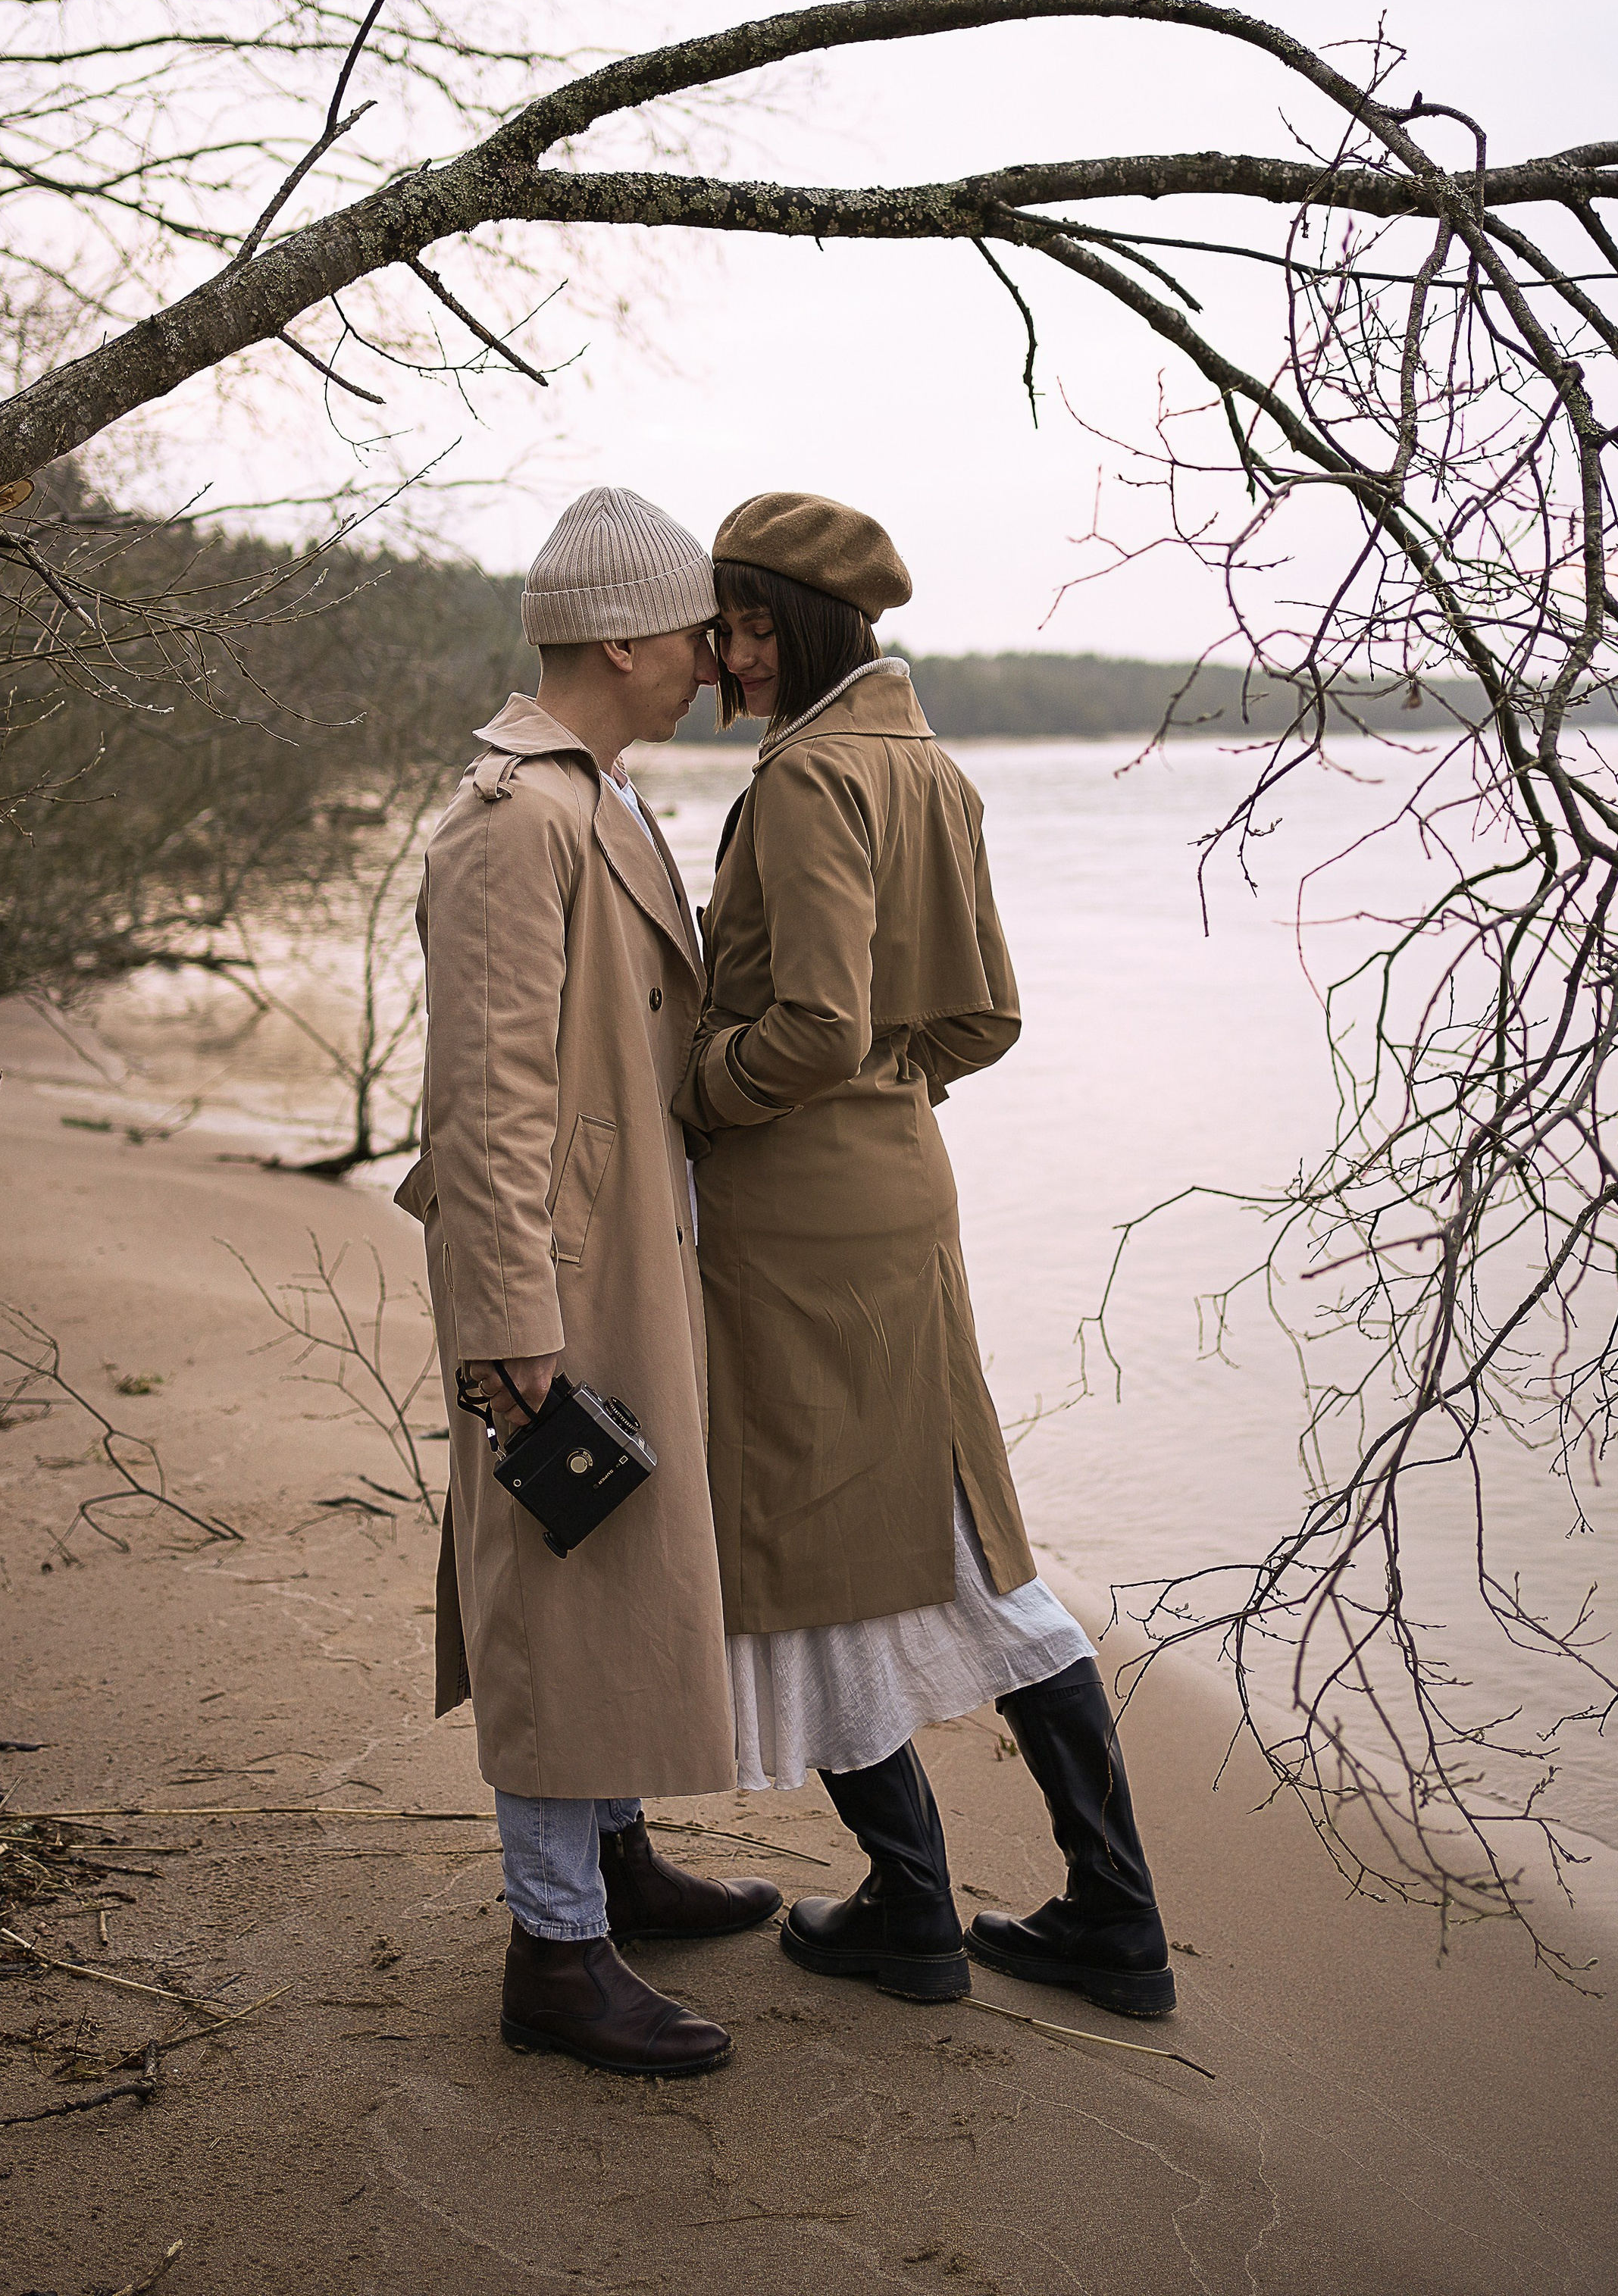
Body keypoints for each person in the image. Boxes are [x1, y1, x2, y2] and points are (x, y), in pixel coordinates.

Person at [676, 490, 1175, 2019]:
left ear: (811, 626)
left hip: (798, 1218)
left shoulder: (815, 777)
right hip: (902, 1189)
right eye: (726, 623)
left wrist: (695, 1093)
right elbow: (979, 1020)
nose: (729, 656)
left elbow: (815, 1022)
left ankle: (913, 1914)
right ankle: (1109, 1920)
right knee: (958, 1545)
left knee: (814, 1553)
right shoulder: (927, 767)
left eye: (753, 625)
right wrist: (888, 1094)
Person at [399, 486, 780, 2079]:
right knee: (562, 1594)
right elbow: (479, 1102)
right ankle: (554, 1953)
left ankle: (609, 1867)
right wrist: (510, 1334)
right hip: (555, 1282)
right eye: (695, 628)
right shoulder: (520, 818)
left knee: (612, 1579)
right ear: (621, 635)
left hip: (621, 1259)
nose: (711, 656)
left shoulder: (599, 800)